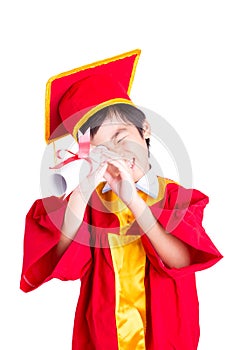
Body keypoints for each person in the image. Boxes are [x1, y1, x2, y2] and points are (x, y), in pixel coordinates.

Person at [20, 49, 223, 350]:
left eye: (121, 137)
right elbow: (58, 257)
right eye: (102, 151)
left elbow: (180, 259)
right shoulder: (90, 209)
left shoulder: (174, 197)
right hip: (103, 339)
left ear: (145, 130)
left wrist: (135, 201)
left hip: (169, 338)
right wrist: (84, 190)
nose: (117, 155)